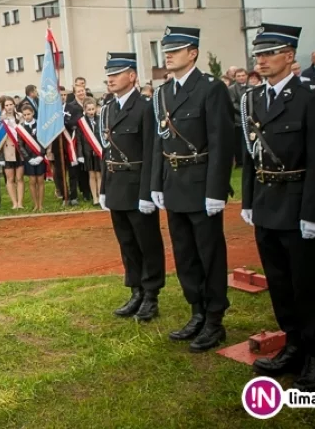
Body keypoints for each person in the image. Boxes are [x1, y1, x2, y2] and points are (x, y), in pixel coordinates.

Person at [241, 24, 315, 391]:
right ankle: (293, 344)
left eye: (269, 53)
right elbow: (251, 155)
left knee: (306, 284)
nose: (262, 60)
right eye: (258, 54)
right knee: (280, 283)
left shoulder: (310, 98)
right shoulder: (253, 99)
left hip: (298, 206)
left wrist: (314, 213)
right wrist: (248, 200)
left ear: (289, 55)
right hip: (266, 205)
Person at [150, 25, 234, 353]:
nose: (168, 55)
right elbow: (160, 142)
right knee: (185, 254)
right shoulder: (163, 93)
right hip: (174, 184)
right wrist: (156, 183)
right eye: (166, 51)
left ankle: (214, 319)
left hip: (201, 186)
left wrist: (216, 190)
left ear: (193, 52)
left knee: (209, 254)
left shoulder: (210, 89)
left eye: (175, 50)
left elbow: (221, 142)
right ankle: (196, 311)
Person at [98, 53, 166, 323]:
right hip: (116, 184)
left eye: (116, 74)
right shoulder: (108, 109)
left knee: (147, 243)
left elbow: (152, 152)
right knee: (126, 242)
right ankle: (136, 290)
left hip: (138, 186)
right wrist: (104, 188)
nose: (110, 79)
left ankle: (151, 294)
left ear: (132, 75)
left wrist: (148, 192)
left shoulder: (145, 107)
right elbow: (107, 151)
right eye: (108, 74)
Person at [18, 104, 47, 211]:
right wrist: (28, 158)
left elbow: (45, 140)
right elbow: (20, 145)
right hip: (29, 158)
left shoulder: (40, 125)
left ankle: (41, 204)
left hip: (39, 157)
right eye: (25, 115)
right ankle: (35, 204)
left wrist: (41, 155)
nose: (27, 116)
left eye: (29, 114)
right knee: (32, 181)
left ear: (33, 113)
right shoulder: (21, 127)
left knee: (40, 180)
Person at [0, 96, 25, 210]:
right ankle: (14, 203)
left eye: (11, 104)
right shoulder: (0, 120)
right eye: (7, 105)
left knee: (19, 178)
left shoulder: (20, 116)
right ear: (4, 107)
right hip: (7, 151)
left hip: (19, 150)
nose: (9, 107)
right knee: (10, 179)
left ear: (14, 105)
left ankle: (20, 202)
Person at [78, 97, 103, 202]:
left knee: (99, 174)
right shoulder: (81, 122)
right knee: (92, 175)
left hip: (98, 151)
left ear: (96, 108)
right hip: (87, 152)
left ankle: (100, 196)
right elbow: (79, 140)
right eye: (89, 109)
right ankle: (94, 197)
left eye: (93, 109)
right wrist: (80, 154)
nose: (91, 112)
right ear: (85, 110)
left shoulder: (100, 119)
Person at [228, 67, 250, 168]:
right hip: (238, 120)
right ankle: (240, 162)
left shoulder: (252, 87)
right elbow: (233, 104)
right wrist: (245, 110)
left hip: (250, 119)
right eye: (239, 76)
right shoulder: (231, 89)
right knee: (238, 142)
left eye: (243, 75)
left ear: (247, 76)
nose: (241, 78)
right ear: (235, 78)